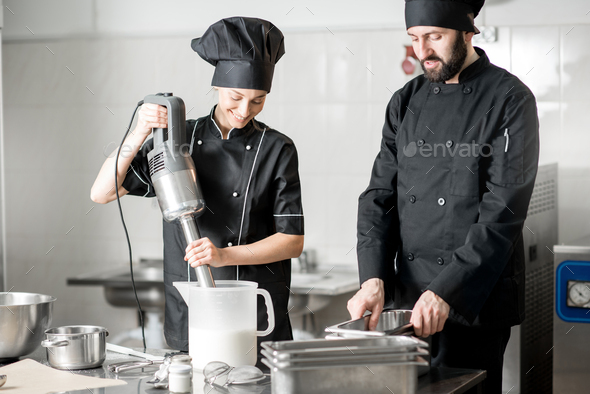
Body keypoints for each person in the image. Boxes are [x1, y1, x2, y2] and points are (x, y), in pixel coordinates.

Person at [346, 1, 539, 392]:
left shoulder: (510, 99)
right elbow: (379, 197)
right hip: (408, 303)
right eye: (415, 39)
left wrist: (446, 291)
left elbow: (502, 211)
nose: (423, 51)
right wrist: (373, 278)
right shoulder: (405, 100)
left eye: (435, 37)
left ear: (468, 32)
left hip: (474, 303)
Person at [91, 17, 304, 364]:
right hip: (191, 317)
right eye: (236, 97)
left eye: (258, 101)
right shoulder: (178, 141)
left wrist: (223, 255)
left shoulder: (277, 148)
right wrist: (139, 132)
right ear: (218, 86)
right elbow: (101, 192)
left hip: (257, 315)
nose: (244, 111)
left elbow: (292, 241)